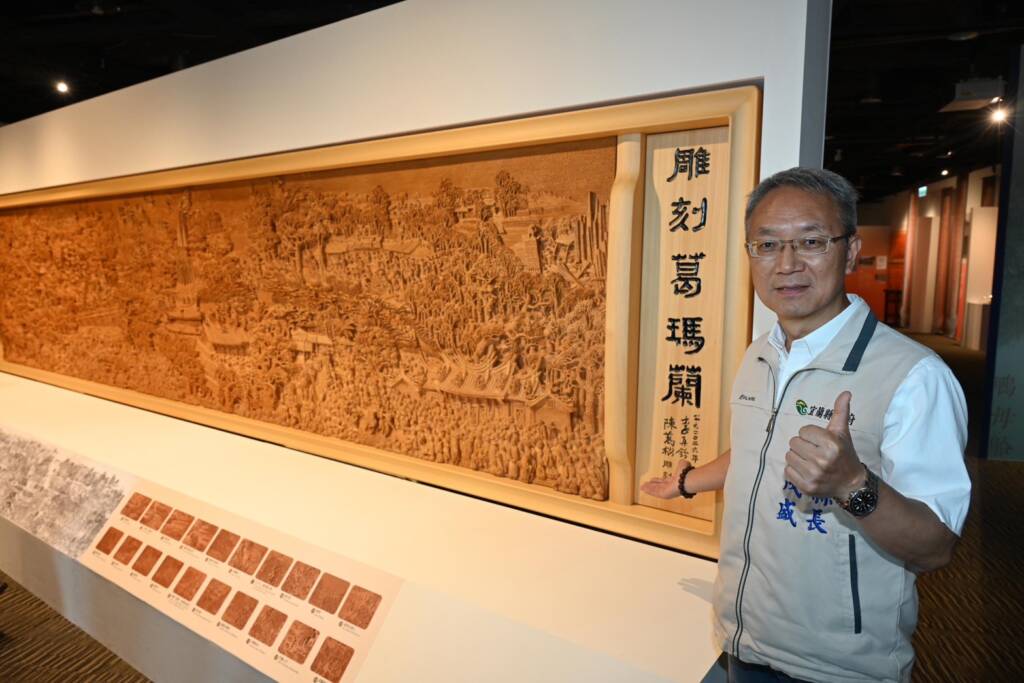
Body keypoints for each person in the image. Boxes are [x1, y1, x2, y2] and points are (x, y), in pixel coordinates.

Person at [642, 167, 970, 683]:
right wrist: (687, 482)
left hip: (835, 668)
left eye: (811, 242)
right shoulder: (761, 354)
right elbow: (757, 448)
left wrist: (852, 485)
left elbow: (936, 545)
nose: (787, 264)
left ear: (851, 251)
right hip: (740, 641)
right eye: (767, 245)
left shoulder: (914, 377)